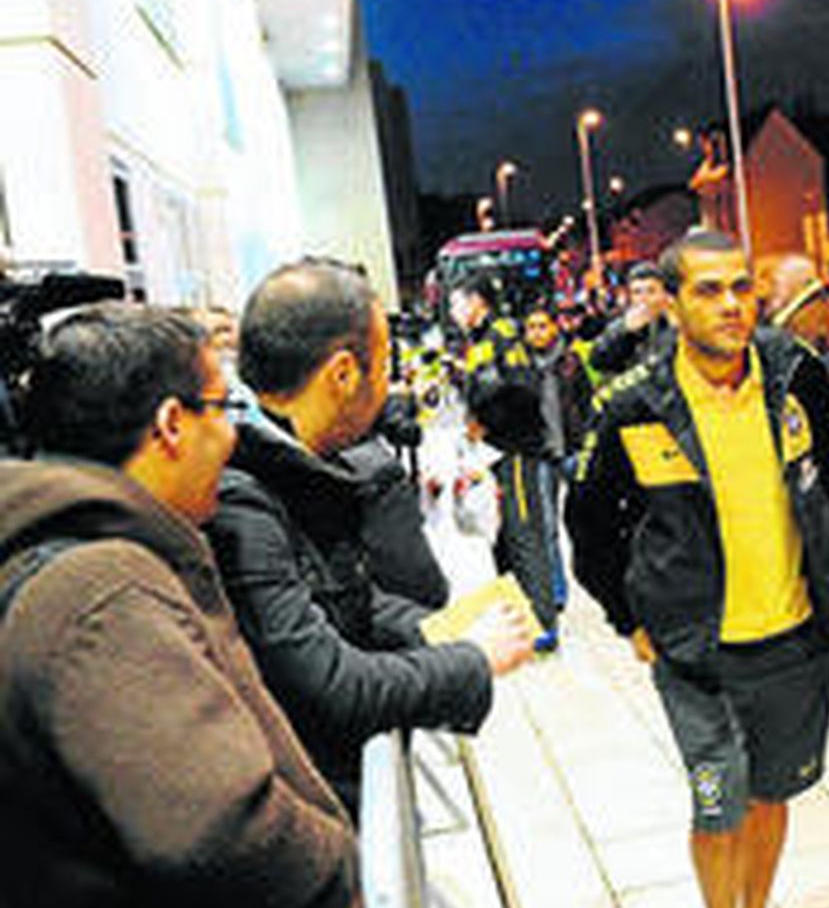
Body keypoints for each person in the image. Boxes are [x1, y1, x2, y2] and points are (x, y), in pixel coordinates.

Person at [0, 304, 361, 908]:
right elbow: (223, 833)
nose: (231, 435)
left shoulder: (65, 557)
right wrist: (341, 884)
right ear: (170, 424)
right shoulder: (99, 590)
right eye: (222, 407)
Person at [566, 229, 829, 908]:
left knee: (772, 795)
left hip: (794, 635)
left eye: (741, 288)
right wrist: (630, 619)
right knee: (718, 803)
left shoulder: (796, 375)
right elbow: (588, 525)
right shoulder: (633, 404)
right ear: (671, 301)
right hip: (699, 653)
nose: (731, 305)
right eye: (708, 290)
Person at [209, 259, 536, 811]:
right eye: (384, 365)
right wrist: (472, 659)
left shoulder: (300, 462)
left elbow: (346, 597)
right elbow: (327, 684)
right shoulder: (242, 500)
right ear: (342, 374)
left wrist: (446, 629)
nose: (391, 385)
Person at [449, 269, 560, 649]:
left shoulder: (504, 333)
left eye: (457, 303)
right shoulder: (477, 341)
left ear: (476, 302)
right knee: (502, 538)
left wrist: (487, 417)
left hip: (517, 451)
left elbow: (524, 390)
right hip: (492, 453)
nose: (453, 311)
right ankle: (519, 619)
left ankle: (543, 623)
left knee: (524, 534)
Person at [523, 302, 594, 611]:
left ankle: (598, 578)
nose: (537, 333)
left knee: (587, 522)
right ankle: (556, 591)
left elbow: (588, 404)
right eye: (531, 327)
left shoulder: (571, 362)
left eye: (542, 326)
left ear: (555, 328)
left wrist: (588, 443)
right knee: (546, 527)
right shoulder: (521, 368)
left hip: (573, 451)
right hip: (541, 455)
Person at [588, 261, 674, 376]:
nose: (643, 298)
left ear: (665, 294)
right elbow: (597, 361)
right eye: (637, 292)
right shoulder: (623, 324)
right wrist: (624, 331)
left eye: (651, 291)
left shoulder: (677, 322)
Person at [763, 253, 829, 357]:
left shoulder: (802, 321)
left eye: (776, 283)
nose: (770, 290)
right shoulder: (819, 310)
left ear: (796, 285)